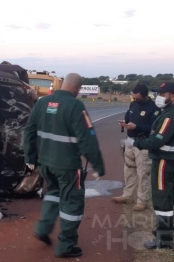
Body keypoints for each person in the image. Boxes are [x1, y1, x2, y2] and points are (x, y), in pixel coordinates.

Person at [24, 73, 105, 258]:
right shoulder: (76, 105)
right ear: (77, 89)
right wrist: (98, 165)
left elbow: (29, 131)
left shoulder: (42, 102)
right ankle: (65, 247)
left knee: (53, 194)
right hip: (68, 166)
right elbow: (88, 139)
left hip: (45, 164)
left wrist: (30, 158)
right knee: (72, 204)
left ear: (62, 84)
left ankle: (43, 228)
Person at [122, 82, 174, 249]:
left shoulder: (170, 116)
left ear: (172, 96)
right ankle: (166, 229)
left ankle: (164, 238)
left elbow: (157, 140)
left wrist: (136, 142)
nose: (158, 97)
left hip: (164, 161)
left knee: (162, 198)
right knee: (170, 196)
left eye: (162, 94)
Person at [112, 84, 160, 211]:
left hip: (143, 143)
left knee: (143, 172)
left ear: (145, 96)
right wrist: (125, 122)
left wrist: (137, 127)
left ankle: (142, 201)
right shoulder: (133, 104)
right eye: (134, 97)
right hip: (130, 141)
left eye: (138, 98)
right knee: (129, 169)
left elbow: (154, 128)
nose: (135, 100)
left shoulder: (154, 108)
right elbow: (129, 116)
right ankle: (127, 195)